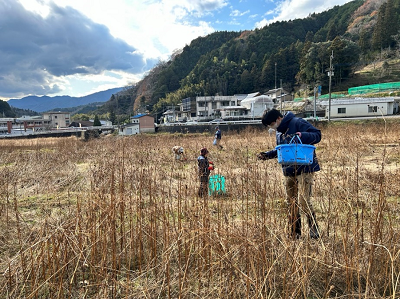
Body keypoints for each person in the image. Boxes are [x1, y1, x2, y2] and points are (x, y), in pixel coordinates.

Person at [257, 109, 321, 239]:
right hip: (288, 169)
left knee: (304, 200)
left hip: (305, 167)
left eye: (271, 124)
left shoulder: (298, 122)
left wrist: (303, 135)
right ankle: (294, 232)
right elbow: (282, 150)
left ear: (279, 119)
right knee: (291, 201)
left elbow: (317, 135)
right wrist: (268, 155)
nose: (272, 127)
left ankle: (314, 230)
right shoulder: (279, 133)